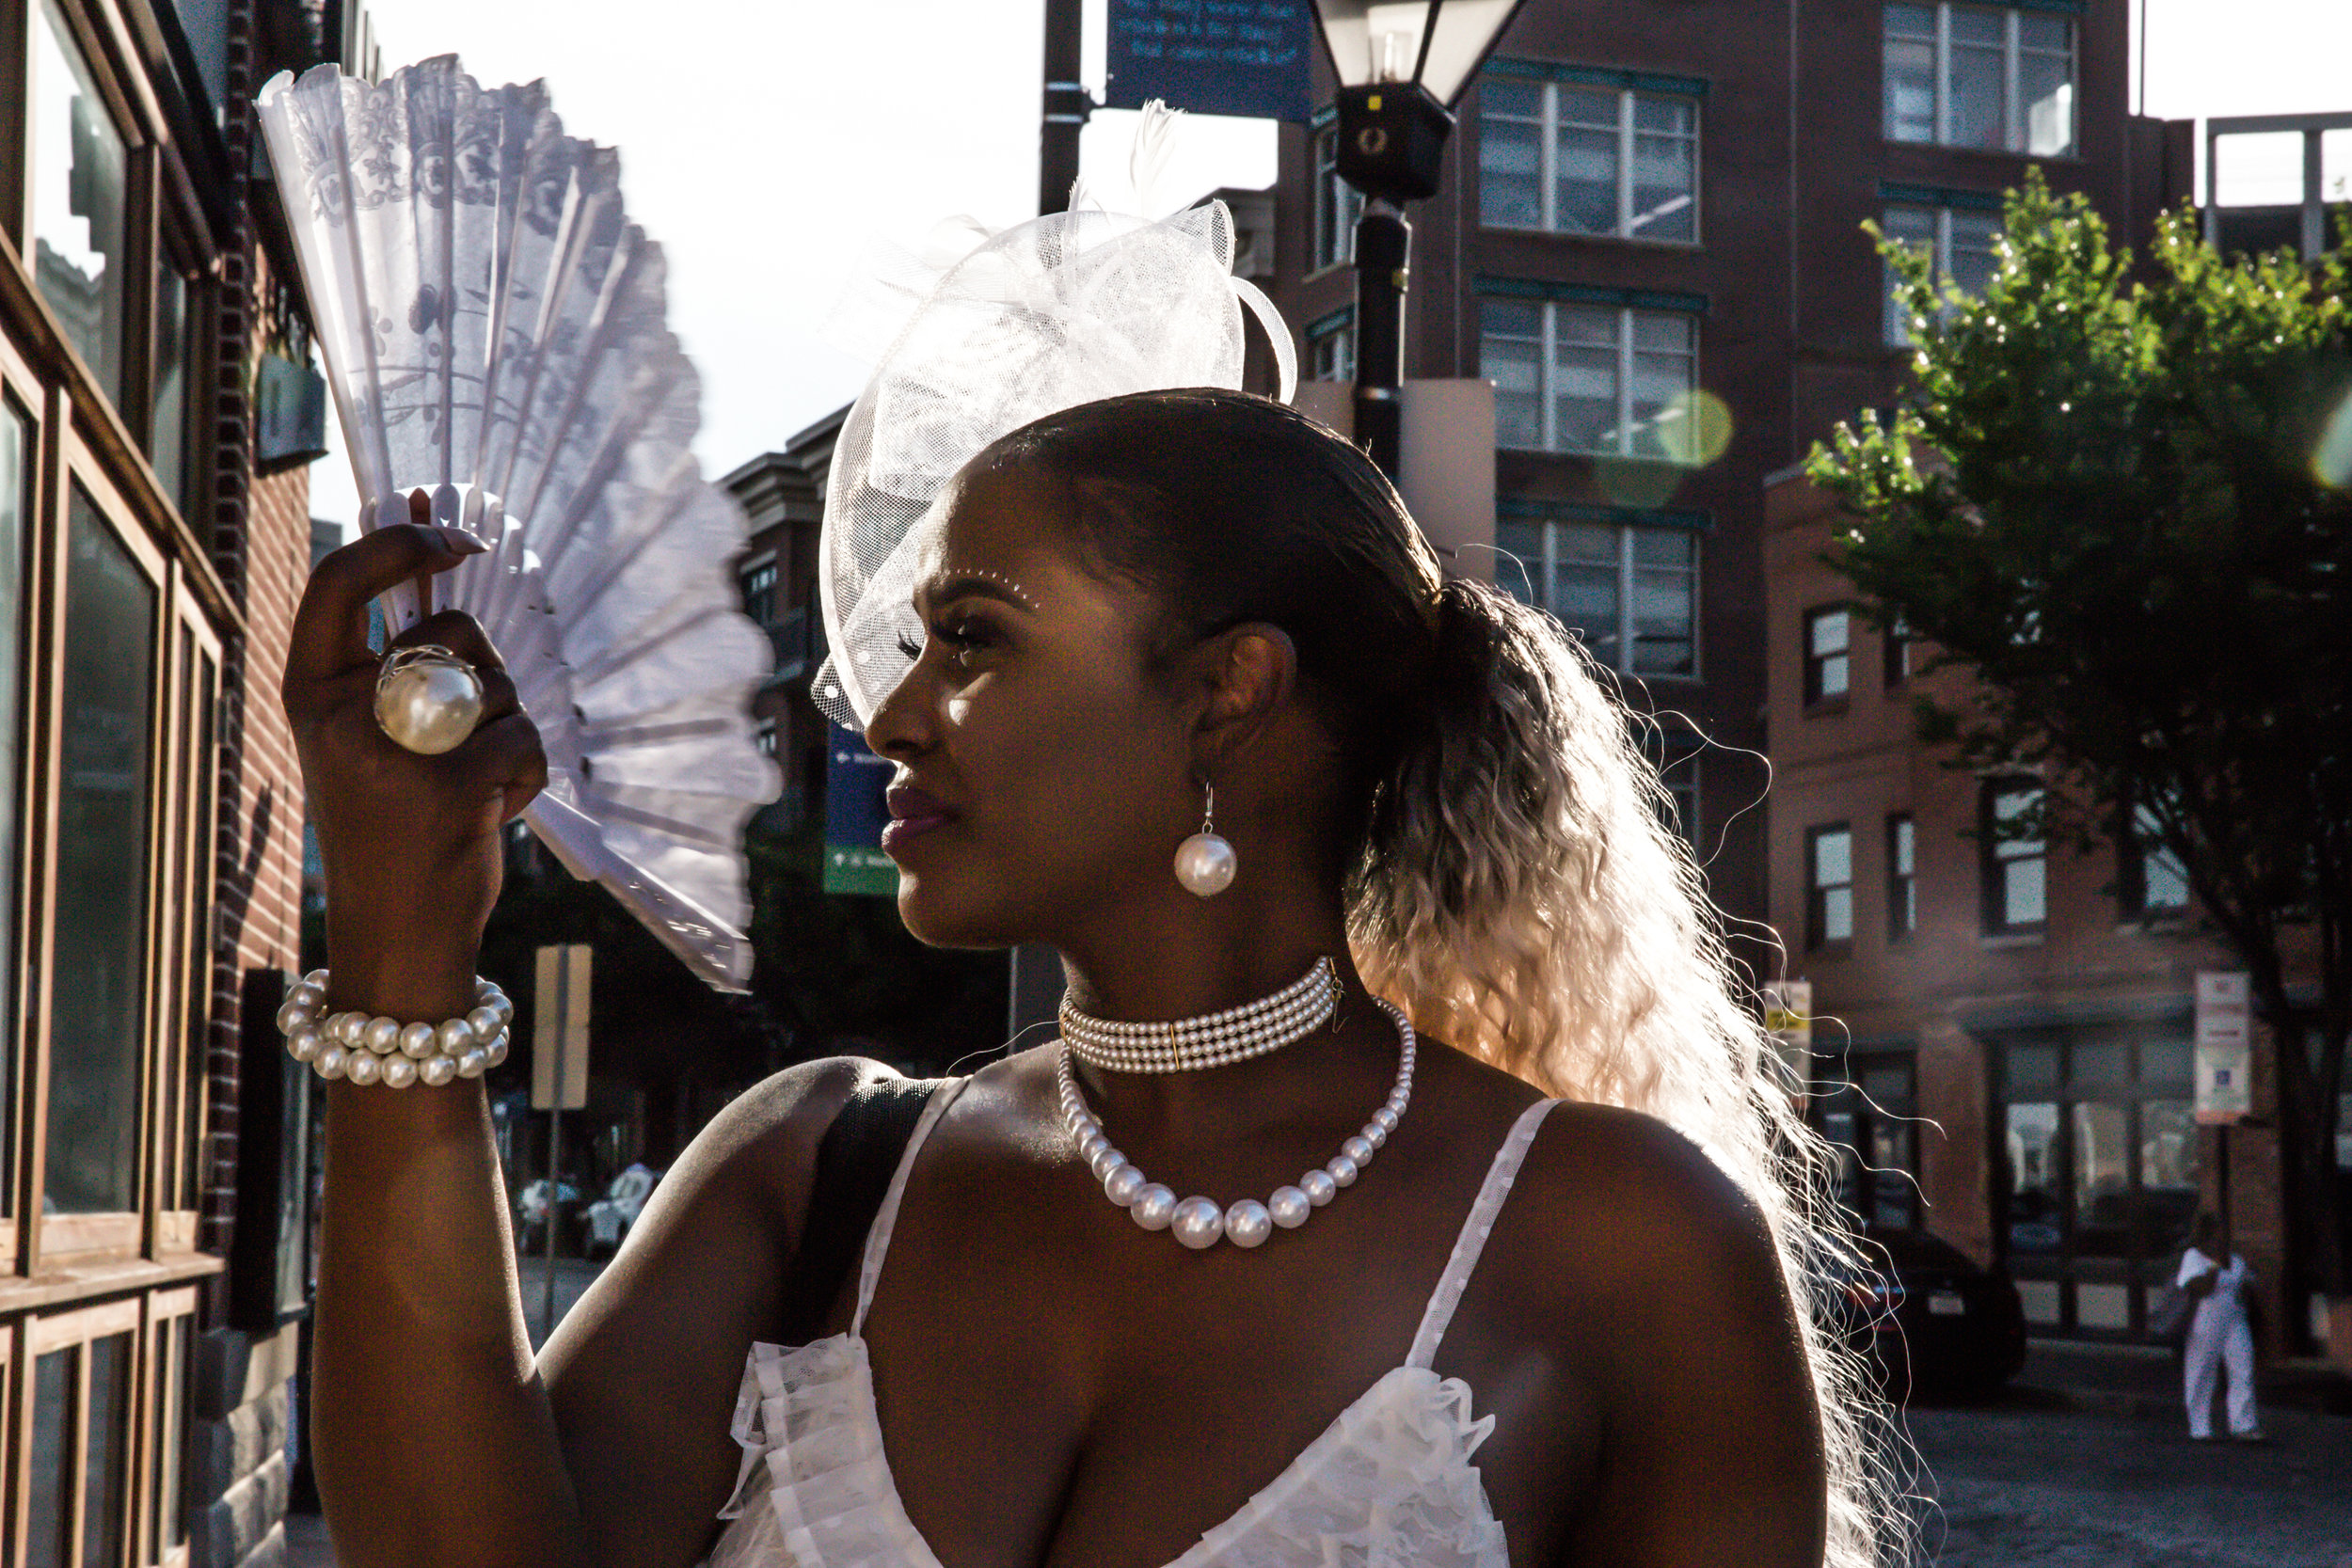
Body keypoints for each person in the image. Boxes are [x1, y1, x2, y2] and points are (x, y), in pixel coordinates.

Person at [287, 390, 1895, 1568]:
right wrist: (406, 950)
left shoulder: (1625, 1241)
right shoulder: (817, 1171)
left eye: (972, 637)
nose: (895, 714)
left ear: (1223, 694)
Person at [2178, 1212, 2264, 1442]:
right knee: (2201, 1372)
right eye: (2217, 1234)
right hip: (2205, 1323)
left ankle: (2243, 1424)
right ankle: (2200, 1427)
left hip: (2235, 1320)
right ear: (2206, 1236)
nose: (2223, 1238)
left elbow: (2246, 1288)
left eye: (2224, 1234)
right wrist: (2215, 1265)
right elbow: (2200, 1288)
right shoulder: (2193, 1258)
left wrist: (2249, 1282)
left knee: (2243, 1367)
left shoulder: (2235, 1260)